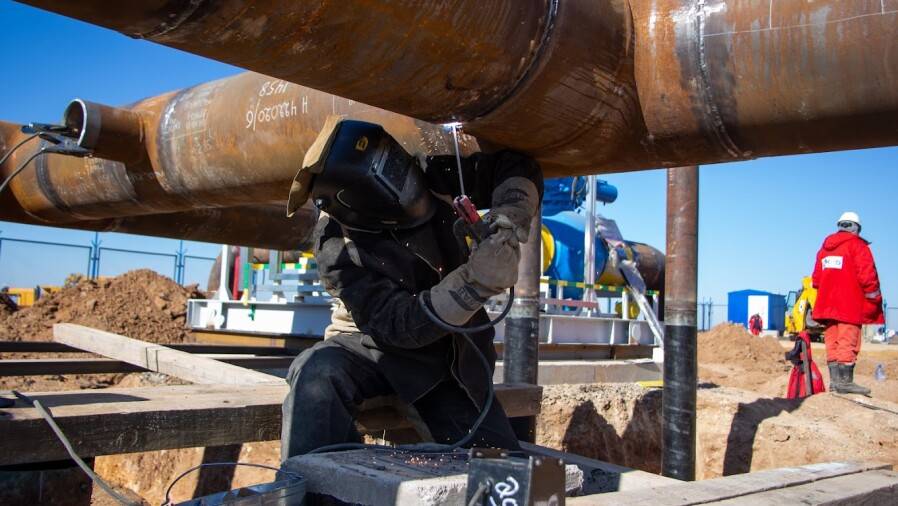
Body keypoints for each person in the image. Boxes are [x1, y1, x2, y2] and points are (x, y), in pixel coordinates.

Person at [280, 117, 543, 459]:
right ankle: (314, 480)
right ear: (358, 205)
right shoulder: (336, 245)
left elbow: (518, 167)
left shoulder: (426, 172)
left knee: (499, 466)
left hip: (448, 360)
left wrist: (510, 213)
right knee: (316, 372)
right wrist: (473, 284)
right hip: (371, 347)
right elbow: (398, 327)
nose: (408, 184)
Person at [811, 211, 884, 395]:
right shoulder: (857, 246)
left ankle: (835, 382)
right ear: (856, 228)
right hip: (849, 304)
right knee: (848, 340)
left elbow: (816, 280)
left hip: (827, 305)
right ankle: (845, 383)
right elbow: (868, 276)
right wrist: (874, 299)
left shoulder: (824, 249)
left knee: (832, 340)